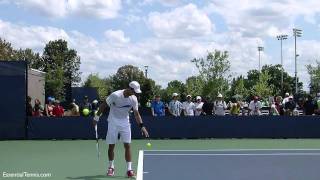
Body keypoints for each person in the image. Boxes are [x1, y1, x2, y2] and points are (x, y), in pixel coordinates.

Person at [92, 81, 149, 178]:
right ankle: (111, 167)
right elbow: (103, 105)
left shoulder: (134, 99)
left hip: (125, 123)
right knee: (111, 146)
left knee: (127, 145)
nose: (135, 94)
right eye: (134, 91)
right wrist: (96, 118)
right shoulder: (115, 95)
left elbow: (136, 114)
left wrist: (142, 126)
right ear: (129, 89)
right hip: (113, 122)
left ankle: (129, 170)